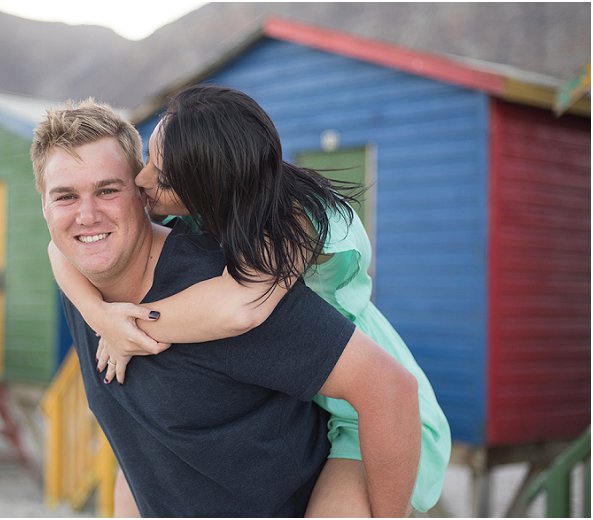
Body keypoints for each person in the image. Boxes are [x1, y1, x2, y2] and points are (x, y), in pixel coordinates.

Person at [47, 85, 451, 516]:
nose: (142, 180)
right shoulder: (215, 208)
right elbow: (58, 248)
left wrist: (127, 328)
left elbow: (238, 309)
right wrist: (98, 314)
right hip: (323, 398)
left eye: (161, 177)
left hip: (376, 415)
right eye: (148, 160)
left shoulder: (291, 223)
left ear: (209, 186)